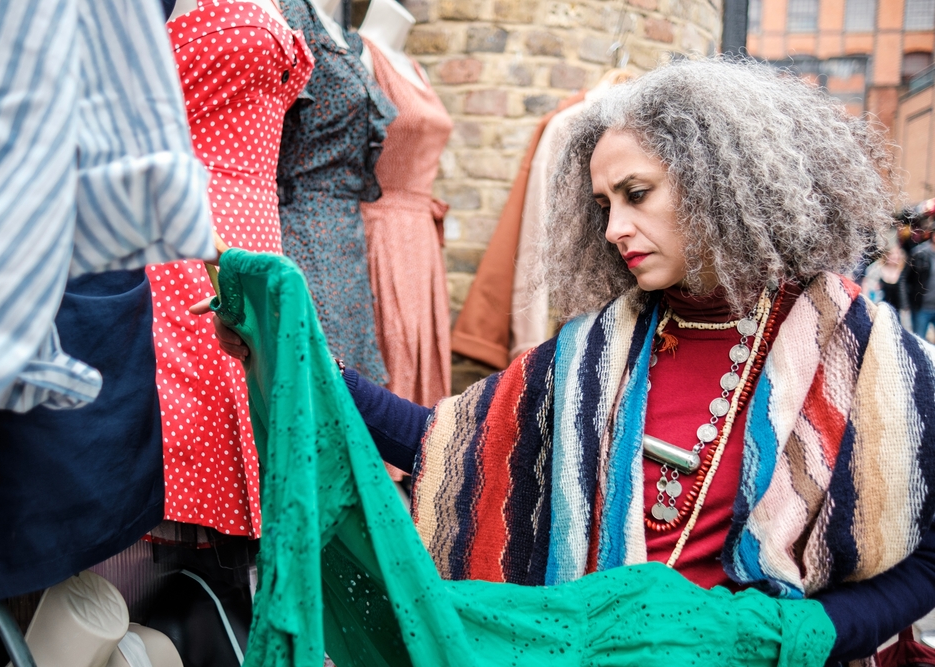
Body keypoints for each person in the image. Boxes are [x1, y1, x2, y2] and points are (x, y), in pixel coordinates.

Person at [206, 58, 935, 665]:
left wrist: (795, 635)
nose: (616, 227)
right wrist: (308, 361)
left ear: (722, 182)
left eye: (637, 195)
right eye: (603, 203)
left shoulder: (871, 362)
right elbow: (447, 443)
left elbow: (928, 554)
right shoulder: (594, 353)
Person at [907, 232, 935, 338]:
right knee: (919, 341)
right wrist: (906, 303)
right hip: (922, 307)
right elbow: (905, 279)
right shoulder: (919, 253)